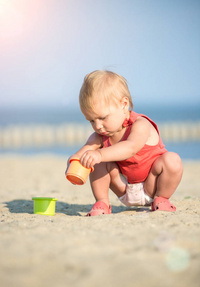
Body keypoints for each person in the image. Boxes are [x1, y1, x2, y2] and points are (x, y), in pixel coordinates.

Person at [66, 70, 183, 216]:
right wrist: (73, 163)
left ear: (123, 104)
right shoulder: (99, 136)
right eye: (91, 120)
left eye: (102, 118)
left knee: (172, 160)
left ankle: (162, 199)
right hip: (123, 187)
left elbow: (131, 148)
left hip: (151, 185)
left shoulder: (140, 124)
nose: (97, 126)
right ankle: (102, 202)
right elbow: (82, 152)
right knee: (95, 160)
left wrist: (100, 154)